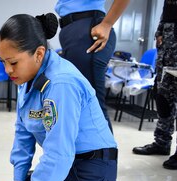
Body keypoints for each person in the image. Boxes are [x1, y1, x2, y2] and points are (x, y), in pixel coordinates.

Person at [0, 13, 137, 181]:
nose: (8, 70)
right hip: (69, 164)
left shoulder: (61, 84)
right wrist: (19, 179)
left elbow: (59, 153)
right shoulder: (27, 77)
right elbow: (23, 131)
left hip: (91, 169)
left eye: (13, 62)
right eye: (3, 62)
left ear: (38, 54)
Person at [55, 0, 130, 132]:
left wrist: (107, 24)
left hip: (87, 30)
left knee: (92, 107)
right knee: (78, 105)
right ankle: (86, 152)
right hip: (72, 31)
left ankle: (106, 153)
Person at [132, 0, 177, 170]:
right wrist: (160, 31)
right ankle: (162, 142)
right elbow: (168, 9)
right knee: (163, 98)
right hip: (167, 43)